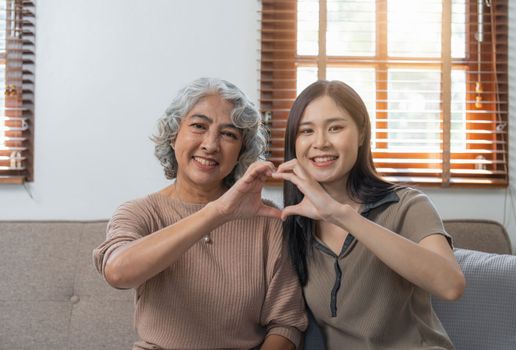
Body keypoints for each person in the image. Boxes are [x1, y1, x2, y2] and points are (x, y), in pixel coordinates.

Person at [93, 78, 307, 350]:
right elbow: (118, 273)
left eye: (229, 134)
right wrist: (216, 212)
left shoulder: (267, 220)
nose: (210, 144)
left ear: (241, 152)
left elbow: (286, 323)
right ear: (173, 136)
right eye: (198, 126)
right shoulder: (140, 213)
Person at [272, 80, 466, 349]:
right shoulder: (294, 225)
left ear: (362, 134)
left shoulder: (406, 204)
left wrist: (341, 215)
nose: (320, 142)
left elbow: (451, 285)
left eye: (335, 128)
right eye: (307, 131)